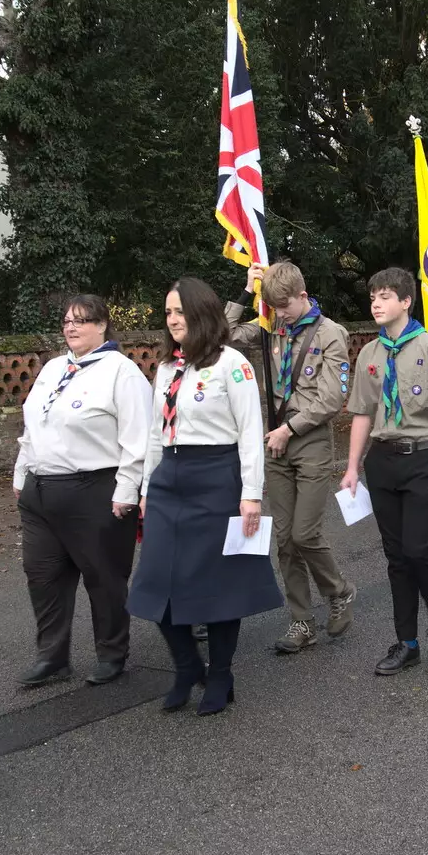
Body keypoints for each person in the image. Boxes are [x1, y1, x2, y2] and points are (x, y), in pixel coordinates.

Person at [130, 277, 284, 716]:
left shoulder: (232, 364)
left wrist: (251, 495)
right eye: (167, 313)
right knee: (155, 581)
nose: (173, 320)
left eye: (179, 311)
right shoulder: (166, 368)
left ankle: (220, 674)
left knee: (219, 586)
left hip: (218, 476)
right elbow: (155, 435)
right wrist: (145, 488)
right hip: (169, 478)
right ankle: (186, 666)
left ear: (201, 314)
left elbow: (251, 433)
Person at [13, 294, 149, 690]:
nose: (71, 327)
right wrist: (22, 474)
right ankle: (52, 657)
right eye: (67, 321)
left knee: (103, 578)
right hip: (41, 490)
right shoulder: (55, 368)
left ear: (103, 325)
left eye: (82, 320)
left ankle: (111, 653)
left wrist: (127, 491)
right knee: (42, 576)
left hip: (94, 490)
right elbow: (33, 425)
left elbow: (138, 439)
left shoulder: (121, 372)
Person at [227, 261, 358, 655]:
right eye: (273, 306)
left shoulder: (331, 334)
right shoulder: (270, 328)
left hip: (310, 441)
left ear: (303, 295)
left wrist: (290, 429)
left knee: (305, 533)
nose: (279, 313)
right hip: (275, 443)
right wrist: (247, 291)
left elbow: (333, 398)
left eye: (284, 305)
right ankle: (301, 621)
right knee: (284, 541)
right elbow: (224, 336)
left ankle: (340, 591)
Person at [341, 267, 428, 675]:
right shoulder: (370, 355)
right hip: (383, 461)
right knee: (395, 556)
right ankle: (406, 641)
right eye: (373, 296)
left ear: (406, 301)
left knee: (419, 548)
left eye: (385, 296)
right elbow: (362, 412)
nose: (376, 303)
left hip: (424, 459)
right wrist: (353, 466)